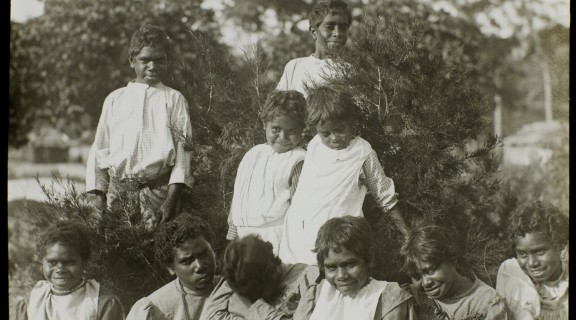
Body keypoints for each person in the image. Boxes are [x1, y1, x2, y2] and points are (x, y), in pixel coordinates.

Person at [278, 84, 408, 265]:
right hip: (297, 237)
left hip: (338, 241)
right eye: (326, 133)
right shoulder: (315, 145)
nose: (334, 138)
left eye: (340, 129)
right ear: (316, 130)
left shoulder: (362, 153)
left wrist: (407, 236)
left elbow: (384, 196)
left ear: (351, 122)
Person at [86, 24, 193, 231]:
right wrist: (98, 197)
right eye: (145, 60)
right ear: (131, 61)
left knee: (158, 252)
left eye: (160, 60)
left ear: (167, 61)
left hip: (160, 193)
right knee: (120, 252)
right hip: (120, 192)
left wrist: (170, 201)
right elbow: (100, 149)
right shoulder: (115, 99)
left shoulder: (174, 99)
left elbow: (183, 154)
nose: (153, 66)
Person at [226, 90, 307, 255]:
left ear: (301, 130)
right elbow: (239, 197)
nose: (282, 136)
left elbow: (300, 209)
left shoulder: (299, 160)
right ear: (265, 125)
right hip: (243, 237)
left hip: (276, 239)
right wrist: (232, 236)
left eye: (291, 131)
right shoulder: (253, 154)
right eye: (276, 129)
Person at [292, 216, 414, 320]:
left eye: (350, 264)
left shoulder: (388, 298)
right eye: (331, 267)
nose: (341, 276)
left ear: (369, 258)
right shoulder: (316, 295)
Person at [15, 220, 125, 320]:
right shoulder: (31, 303)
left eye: (69, 262)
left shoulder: (102, 303)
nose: (60, 269)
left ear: (84, 264)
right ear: (42, 263)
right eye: (52, 262)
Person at [400, 220, 509, 320]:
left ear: (452, 260)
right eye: (417, 276)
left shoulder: (487, 303)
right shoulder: (412, 297)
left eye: (431, 271)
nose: (425, 283)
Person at [200, 235, 320, 320]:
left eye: (255, 293)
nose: (251, 298)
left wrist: (251, 310)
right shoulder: (242, 280)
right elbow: (209, 316)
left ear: (272, 271)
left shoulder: (310, 278)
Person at [126, 214, 217, 320]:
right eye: (186, 261)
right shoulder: (155, 309)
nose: (200, 266)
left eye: (204, 253)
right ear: (171, 268)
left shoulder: (233, 289)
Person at [496, 200, 568, 320]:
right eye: (522, 254)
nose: (531, 263)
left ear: (560, 244)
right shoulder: (511, 274)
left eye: (540, 252)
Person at [276, 0, 352, 98]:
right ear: (314, 32)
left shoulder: (350, 71)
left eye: (343, 28)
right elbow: (278, 108)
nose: (337, 33)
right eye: (329, 27)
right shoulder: (295, 67)